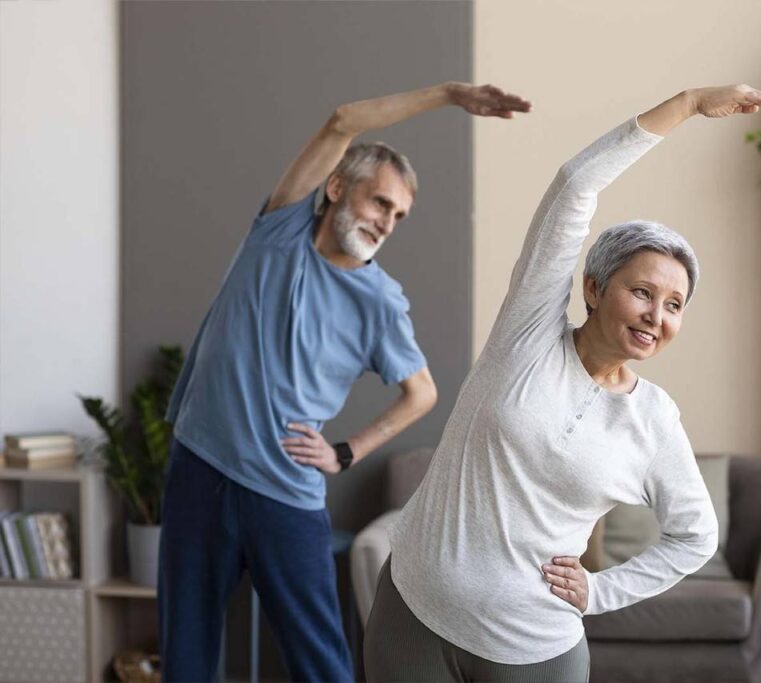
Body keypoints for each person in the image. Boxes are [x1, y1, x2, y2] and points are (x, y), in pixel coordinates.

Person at [364, 83, 761, 682]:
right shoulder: (528, 334)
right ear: (594, 288)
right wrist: (691, 104)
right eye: (642, 292)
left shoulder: (653, 420)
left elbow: (696, 537)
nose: (656, 315)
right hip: (410, 614)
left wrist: (600, 591)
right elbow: (576, 184)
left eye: (674, 305)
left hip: (532, 652)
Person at [158, 81, 532, 683]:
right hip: (199, 469)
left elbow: (423, 393)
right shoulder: (278, 230)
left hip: (284, 493)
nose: (388, 222)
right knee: (186, 659)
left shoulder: (382, 303)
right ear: (335, 188)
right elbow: (342, 121)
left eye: (398, 215)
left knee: (322, 667)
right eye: (381, 202)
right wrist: (451, 95)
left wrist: (345, 451)